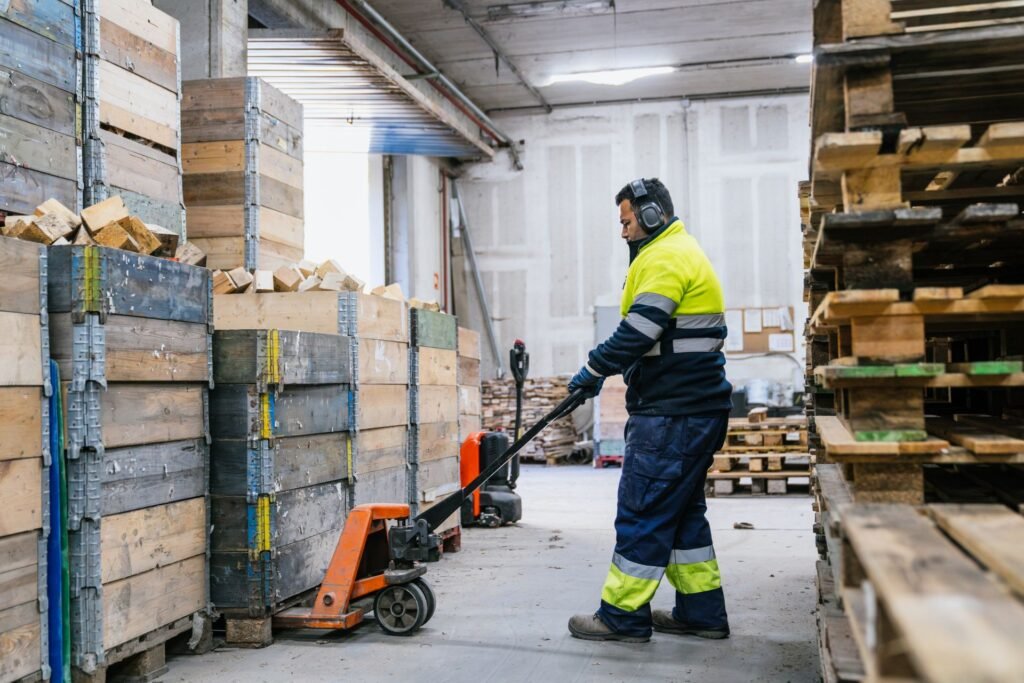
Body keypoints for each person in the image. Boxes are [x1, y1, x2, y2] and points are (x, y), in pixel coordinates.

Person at [567, 178, 733, 643]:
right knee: (682, 515)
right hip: (693, 410)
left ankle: (621, 616)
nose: (622, 231)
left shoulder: (664, 257)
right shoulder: (678, 251)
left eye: (626, 220)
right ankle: (701, 614)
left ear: (652, 214)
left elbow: (641, 329)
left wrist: (593, 369)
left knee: (643, 510)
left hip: (673, 415)